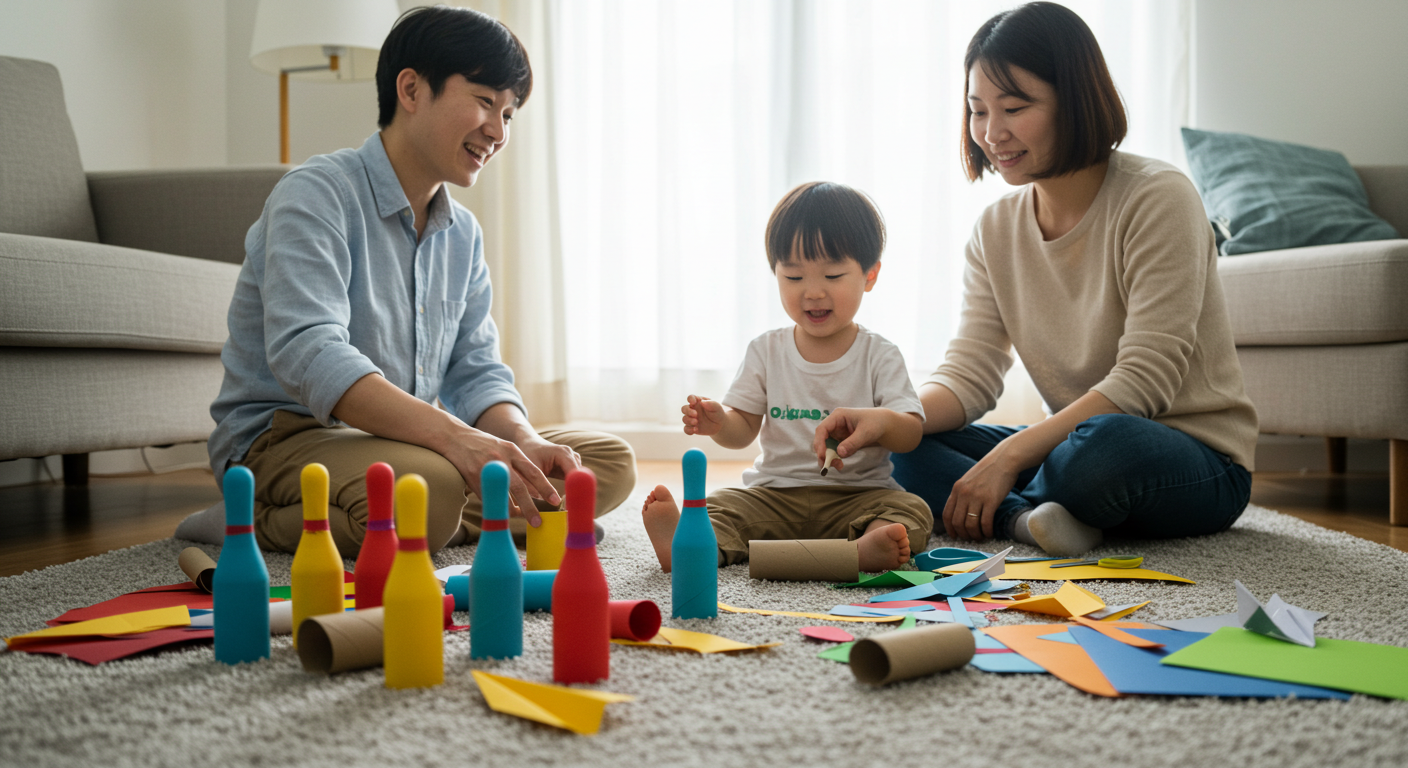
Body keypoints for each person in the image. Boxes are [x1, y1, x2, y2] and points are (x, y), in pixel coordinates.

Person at [814, 2, 1257, 556]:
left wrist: (1007, 458)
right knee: (907, 445)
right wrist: (893, 416)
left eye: (1015, 107)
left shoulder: (1157, 197)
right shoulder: (996, 228)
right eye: (978, 111)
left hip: (1192, 458)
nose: (991, 133)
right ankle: (1028, 522)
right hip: (1070, 447)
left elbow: (1145, 382)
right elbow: (970, 375)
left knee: (1103, 451)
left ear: (1074, 102)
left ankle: (1017, 500)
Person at [192, 6, 634, 555]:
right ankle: (248, 516)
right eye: (483, 101)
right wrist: (460, 441)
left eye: (510, 112)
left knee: (604, 464)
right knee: (434, 487)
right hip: (285, 438)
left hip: (398, 444)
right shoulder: (316, 194)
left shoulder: (463, 233)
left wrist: (521, 439)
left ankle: (439, 518)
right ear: (411, 89)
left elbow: (475, 370)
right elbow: (310, 351)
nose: (497, 131)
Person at [641, 182, 933, 574]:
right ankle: (692, 547)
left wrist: (880, 421)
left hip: (858, 497)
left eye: (832, 275)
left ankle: (865, 550)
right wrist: (721, 421)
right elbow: (742, 430)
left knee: (910, 511)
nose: (812, 293)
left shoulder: (879, 354)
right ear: (775, 274)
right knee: (723, 506)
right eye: (793, 278)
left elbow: (910, 432)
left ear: (870, 275)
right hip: (774, 497)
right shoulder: (766, 350)